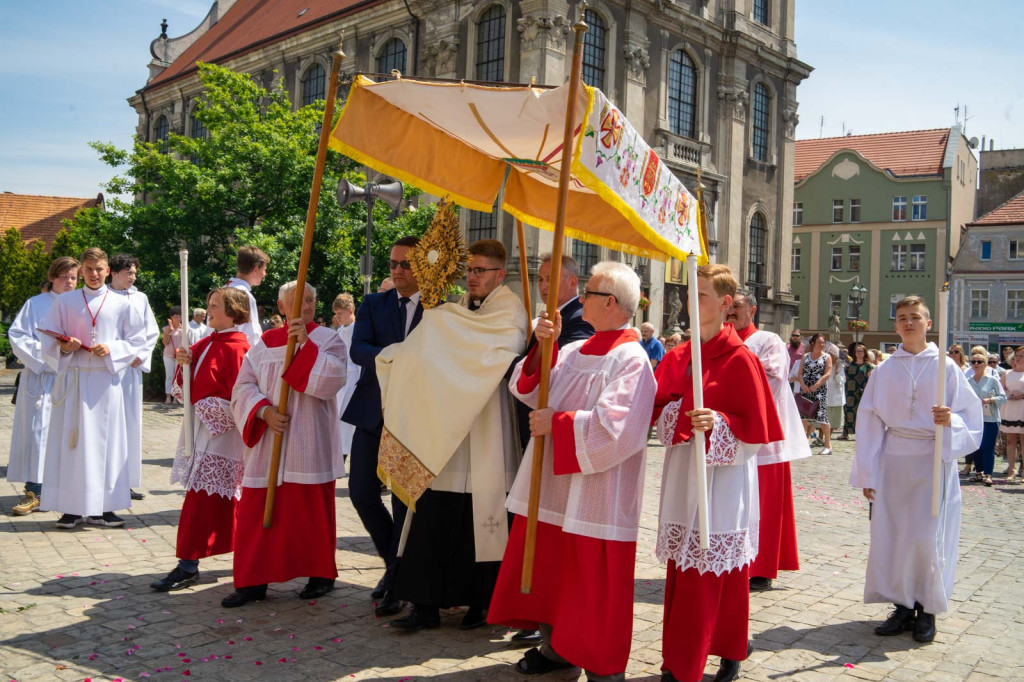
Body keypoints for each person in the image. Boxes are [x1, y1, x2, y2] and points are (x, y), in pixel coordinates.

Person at [489, 261, 655, 681]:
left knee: (589, 584)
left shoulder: (633, 360)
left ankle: (599, 662)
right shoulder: (575, 350)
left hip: (598, 491)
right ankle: (558, 646)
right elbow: (526, 390)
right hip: (553, 485)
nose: (581, 301)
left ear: (612, 303)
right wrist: (543, 345)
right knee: (552, 573)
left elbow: (615, 431)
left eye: (590, 295)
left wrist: (557, 425)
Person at [380, 239, 528, 631]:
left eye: (480, 271)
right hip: (446, 430)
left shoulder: (511, 311)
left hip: (484, 429)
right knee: (433, 515)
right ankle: (425, 606)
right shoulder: (458, 308)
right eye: (469, 270)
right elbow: (439, 350)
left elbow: (497, 354)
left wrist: (445, 333)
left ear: (499, 273)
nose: (472, 277)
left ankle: (479, 605)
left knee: (480, 523)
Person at [653, 264, 782, 682]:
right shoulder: (678, 355)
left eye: (702, 294)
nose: (693, 301)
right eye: (690, 293)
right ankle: (680, 660)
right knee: (684, 570)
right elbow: (655, 410)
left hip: (725, 479)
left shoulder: (742, 359)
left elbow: (757, 431)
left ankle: (728, 649)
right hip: (684, 474)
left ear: (726, 305)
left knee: (721, 571)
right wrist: (677, 415)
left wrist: (720, 423)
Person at [849, 295, 982, 644]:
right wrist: (868, 472)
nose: (909, 323)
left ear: (928, 323)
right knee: (894, 536)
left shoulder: (945, 367)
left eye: (916, 317)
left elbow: (971, 416)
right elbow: (869, 421)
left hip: (931, 458)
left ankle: (927, 608)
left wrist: (949, 420)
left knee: (927, 538)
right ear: (895, 325)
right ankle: (902, 605)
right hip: (893, 460)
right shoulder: (885, 369)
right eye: (902, 317)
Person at [225, 280, 347, 607]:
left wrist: (306, 346)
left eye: (310, 300)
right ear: (281, 307)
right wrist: (263, 412)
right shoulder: (264, 344)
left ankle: (319, 574)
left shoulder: (327, 339)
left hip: (309, 442)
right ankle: (253, 581)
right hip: (270, 442)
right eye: (297, 301)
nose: (305, 306)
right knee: (258, 512)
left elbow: (331, 382)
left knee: (309, 514)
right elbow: (242, 387)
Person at [342, 236, 423, 617]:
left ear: (422, 266)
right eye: (392, 264)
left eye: (405, 264)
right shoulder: (374, 304)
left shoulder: (439, 310)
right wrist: (397, 358)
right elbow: (358, 350)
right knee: (360, 492)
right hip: (372, 412)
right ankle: (396, 566)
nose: (397, 270)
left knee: (405, 502)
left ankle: (399, 578)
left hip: (416, 418)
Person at [39, 247, 148, 529]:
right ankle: (71, 508)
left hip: (105, 383)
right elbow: (49, 339)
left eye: (100, 269)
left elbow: (136, 340)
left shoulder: (123, 303)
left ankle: (105, 507)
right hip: (75, 379)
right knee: (72, 445)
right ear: (82, 271)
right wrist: (65, 346)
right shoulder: (66, 302)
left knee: (108, 444)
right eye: (89, 269)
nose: (95, 274)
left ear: (108, 270)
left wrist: (110, 348)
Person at [151, 287, 251, 592]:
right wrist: (185, 363)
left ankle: (188, 565)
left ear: (233, 311)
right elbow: (188, 384)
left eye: (215, 305)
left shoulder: (238, 347)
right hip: (201, 430)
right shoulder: (209, 340)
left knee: (204, 501)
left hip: (222, 436)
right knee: (211, 500)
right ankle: (198, 562)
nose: (208, 310)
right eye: (208, 304)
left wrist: (205, 404)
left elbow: (240, 396)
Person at [726, 289, 811, 593]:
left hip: (763, 437)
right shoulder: (718, 339)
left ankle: (761, 567)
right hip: (727, 432)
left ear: (752, 309)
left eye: (736, 306)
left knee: (765, 503)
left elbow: (773, 379)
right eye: (728, 306)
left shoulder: (767, 340)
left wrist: (731, 394)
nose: (731, 311)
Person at [7, 257, 80, 515]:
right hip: (42, 378)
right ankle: (34, 491)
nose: (69, 282)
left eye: (73, 277)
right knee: (39, 434)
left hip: (71, 379)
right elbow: (18, 337)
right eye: (64, 277)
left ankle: (62, 492)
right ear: (52, 278)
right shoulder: (35, 305)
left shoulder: (80, 304)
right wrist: (50, 356)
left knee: (68, 435)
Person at [108, 254, 161, 501]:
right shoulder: (103, 297)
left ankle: (126, 482)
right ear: (114, 273)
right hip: (107, 369)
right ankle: (107, 481)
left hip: (131, 370)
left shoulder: (140, 298)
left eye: (134, 273)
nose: (133, 277)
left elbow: (151, 331)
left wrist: (141, 354)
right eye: (129, 273)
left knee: (129, 423)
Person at [965, 350, 1006, 486]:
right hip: (974, 418)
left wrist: (990, 400)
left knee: (988, 447)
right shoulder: (968, 380)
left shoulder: (992, 380)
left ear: (985, 364)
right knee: (976, 446)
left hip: (990, 418)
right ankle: (978, 473)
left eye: (979, 362)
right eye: (973, 362)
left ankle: (988, 474)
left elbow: (1003, 397)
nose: (976, 364)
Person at [332, 293, 360, 462]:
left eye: (340, 314)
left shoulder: (359, 329)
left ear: (350, 311)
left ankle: (347, 457)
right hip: (342, 381)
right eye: (336, 314)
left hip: (354, 380)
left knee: (350, 425)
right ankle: (339, 459)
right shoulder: (340, 331)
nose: (337, 318)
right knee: (339, 423)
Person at [797, 333, 833, 455]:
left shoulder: (827, 357)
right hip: (805, 389)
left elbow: (827, 373)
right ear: (812, 343)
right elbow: (800, 373)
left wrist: (816, 385)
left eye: (823, 342)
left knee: (822, 418)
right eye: (819, 342)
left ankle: (828, 445)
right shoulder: (805, 356)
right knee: (803, 417)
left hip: (819, 391)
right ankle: (802, 443)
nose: (822, 344)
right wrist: (803, 385)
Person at [227, 245, 269, 347]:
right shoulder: (243, 295)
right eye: (264, 269)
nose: (265, 274)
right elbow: (251, 336)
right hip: (238, 356)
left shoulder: (221, 291)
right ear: (255, 270)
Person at [842, 342, 875, 440]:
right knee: (848, 411)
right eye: (857, 351)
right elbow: (845, 377)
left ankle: (863, 432)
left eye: (861, 351)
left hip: (863, 391)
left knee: (863, 413)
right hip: (850, 391)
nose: (859, 353)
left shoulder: (868, 366)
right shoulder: (849, 365)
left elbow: (871, 379)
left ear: (865, 353)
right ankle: (846, 432)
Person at [1000, 347, 1024, 480]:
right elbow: (1000, 390)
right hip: (1010, 409)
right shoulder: (1007, 373)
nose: (1019, 358)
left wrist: (1022, 395)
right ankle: (1012, 469)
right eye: (1017, 355)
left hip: (1022, 408)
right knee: (1010, 441)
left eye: (1022, 356)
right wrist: (1009, 393)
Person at [161, 307, 184, 404]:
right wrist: (169, 331)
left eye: (179, 317)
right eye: (175, 317)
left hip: (179, 355)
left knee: (177, 376)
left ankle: (176, 398)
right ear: (171, 318)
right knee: (169, 375)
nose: (178, 319)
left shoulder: (185, 328)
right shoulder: (166, 328)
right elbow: (165, 342)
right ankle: (168, 397)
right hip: (168, 355)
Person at [826, 345, 846, 444]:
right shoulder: (825, 364)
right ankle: (824, 438)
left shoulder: (840, 366)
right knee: (824, 419)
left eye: (833, 355)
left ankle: (828, 438)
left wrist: (837, 371)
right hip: (826, 394)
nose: (831, 357)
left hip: (836, 396)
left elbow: (840, 381)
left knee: (833, 421)